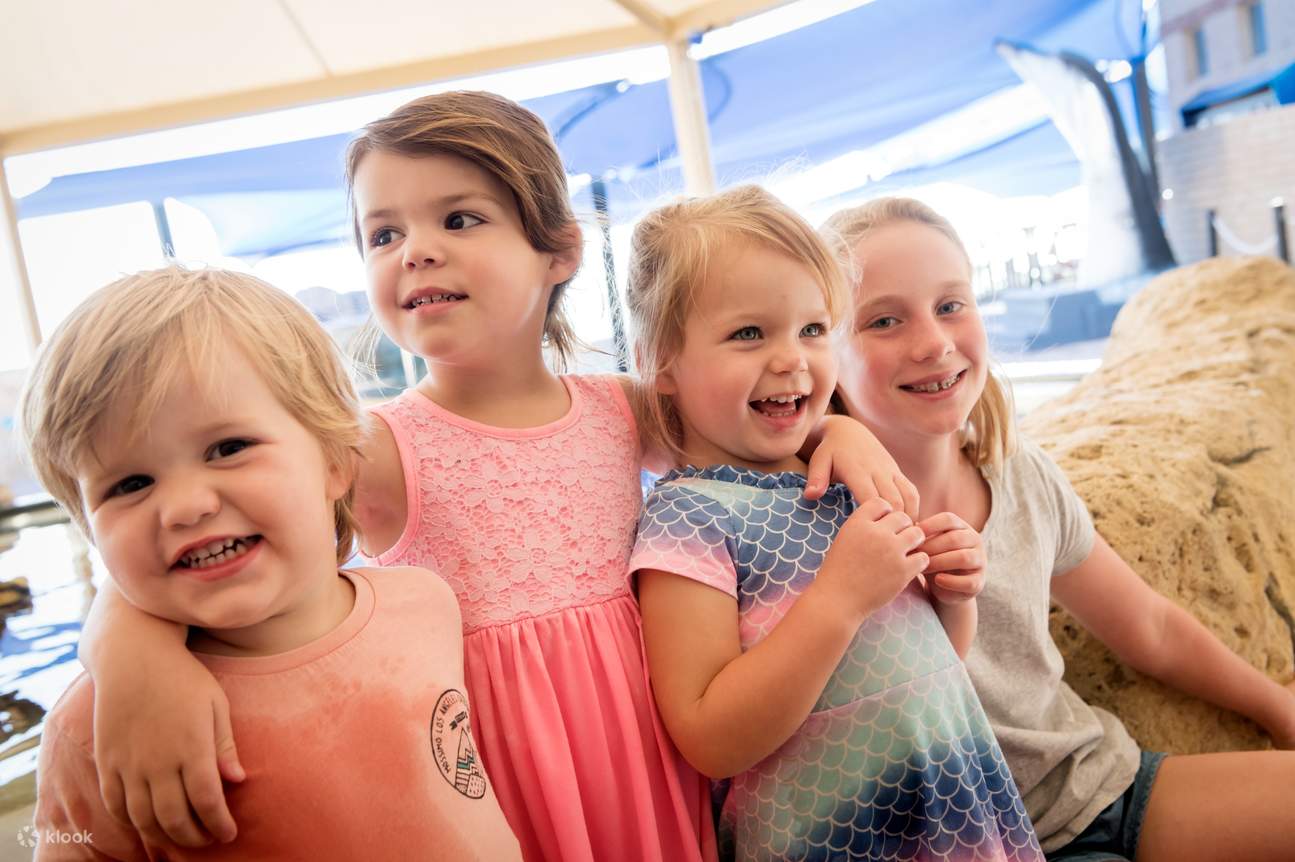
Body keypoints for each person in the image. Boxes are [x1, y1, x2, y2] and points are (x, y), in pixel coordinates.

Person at [72, 93, 909, 862]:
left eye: (459, 218)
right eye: (383, 234)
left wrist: (840, 430)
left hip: (644, 747)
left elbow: (752, 418)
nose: (417, 250)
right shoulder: (371, 446)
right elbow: (221, 527)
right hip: (487, 765)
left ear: (559, 251)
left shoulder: (620, 409)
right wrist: (130, 648)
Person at [822, 196, 1295, 862]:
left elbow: (1148, 628)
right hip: (991, 841)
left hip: (1101, 785)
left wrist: (1278, 709)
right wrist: (828, 426)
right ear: (822, 350)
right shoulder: (812, 513)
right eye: (883, 320)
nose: (932, 342)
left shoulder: (1019, 473)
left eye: (951, 305)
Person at [20, 267, 520, 861]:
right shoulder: (97, 729)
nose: (184, 507)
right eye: (129, 483)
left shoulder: (423, 604)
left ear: (336, 460)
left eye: (228, 449)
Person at [625, 185, 1045, 862]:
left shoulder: (840, 469)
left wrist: (952, 596)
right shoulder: (687, 518)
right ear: (658, 363)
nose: (792, 358)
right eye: (747, 333)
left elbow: (935, 665)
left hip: (958, 817)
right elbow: (708, 737)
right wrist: (839, 600)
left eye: (812, 330)